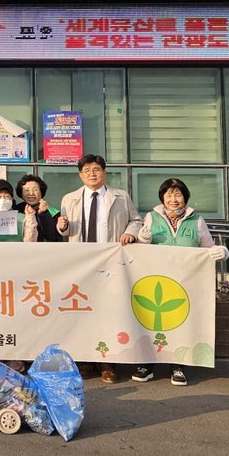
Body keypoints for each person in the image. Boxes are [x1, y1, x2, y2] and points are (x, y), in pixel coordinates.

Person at [131, 178, 229, 387]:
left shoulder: (197, 220)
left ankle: (178, 366)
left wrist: (222, 252)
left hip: (186, 282)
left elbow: (208, 248)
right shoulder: (151, 218)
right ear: (162, 198)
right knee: (152, 322)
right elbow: (140, 252)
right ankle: (147, 365)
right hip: (156, 281)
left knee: (181, 323)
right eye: (169, 195)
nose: (173, 199)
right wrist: (143, 240)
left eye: (177, 194)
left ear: (185, 197)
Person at [56, 154, 142, 384]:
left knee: (108, 312)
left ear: (104, 172)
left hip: (110, 263)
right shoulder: (69, 199)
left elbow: (136, 220)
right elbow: (66, 231)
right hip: (82, 264)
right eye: (87, 171)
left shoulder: (120, 197)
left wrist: (130, 233)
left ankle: (107, 362)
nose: (92, 174)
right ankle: (84, 360)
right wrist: (62, 227)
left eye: (96, 169)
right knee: (81, 311)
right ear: (80, 175)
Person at [17, 174, 62, 242]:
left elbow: (53, 238)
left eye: (35, 190)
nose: (31, 193)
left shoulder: (53, 212)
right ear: (21, 194)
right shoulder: (16, 211)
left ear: (41, 192)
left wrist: (44, 214)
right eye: (26, 190)